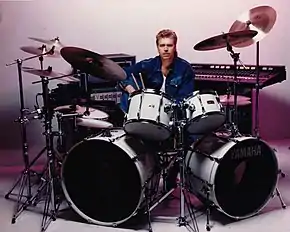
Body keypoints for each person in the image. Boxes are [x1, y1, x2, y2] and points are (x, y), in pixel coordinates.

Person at [118, 29, 195, 190]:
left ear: (175, 46)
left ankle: (171, 179)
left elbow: (185, 97)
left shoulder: (185, 68)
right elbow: (121, 74)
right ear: (157, 47)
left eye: (169, 45)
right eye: (162, 45)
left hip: (171, 116)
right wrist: (129, 87)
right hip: (148, 114)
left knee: (188, 137)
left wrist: (169, 107)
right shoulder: (148, 65)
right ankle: (141, 180)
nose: (166, 49)